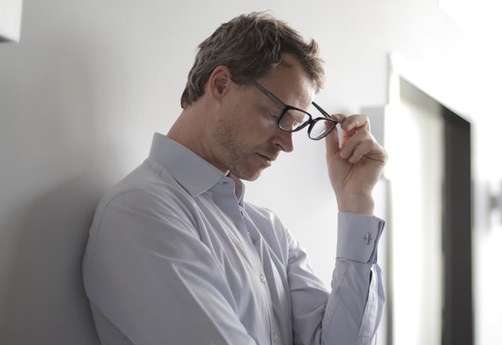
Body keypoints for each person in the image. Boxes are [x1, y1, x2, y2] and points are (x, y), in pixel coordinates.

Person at [82, 12, 387, 345]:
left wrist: (356, 201)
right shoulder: (140, 211)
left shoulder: (270, 232)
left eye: (296, 126)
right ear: (220, 85)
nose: (287, 145)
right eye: (276, 116)